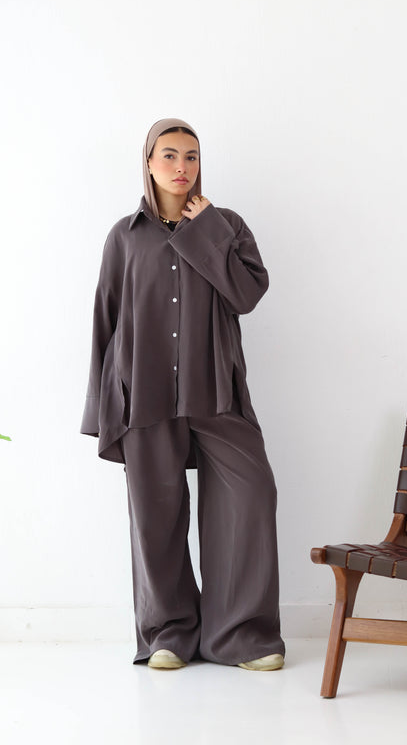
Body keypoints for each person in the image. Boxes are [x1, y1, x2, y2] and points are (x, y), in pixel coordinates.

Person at [81, 117, 285, 671]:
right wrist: (99, 408)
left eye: (191, 156)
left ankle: (241, 636)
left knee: (252, 496)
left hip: (215, 389)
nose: (181, 166)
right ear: (149, 163)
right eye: (169, 155)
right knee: (156, 515)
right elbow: (105, 319)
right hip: (142, 392)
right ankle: (168, 633)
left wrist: (207, 227)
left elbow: (246, 295)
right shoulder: (124, 236)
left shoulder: (227, 225)